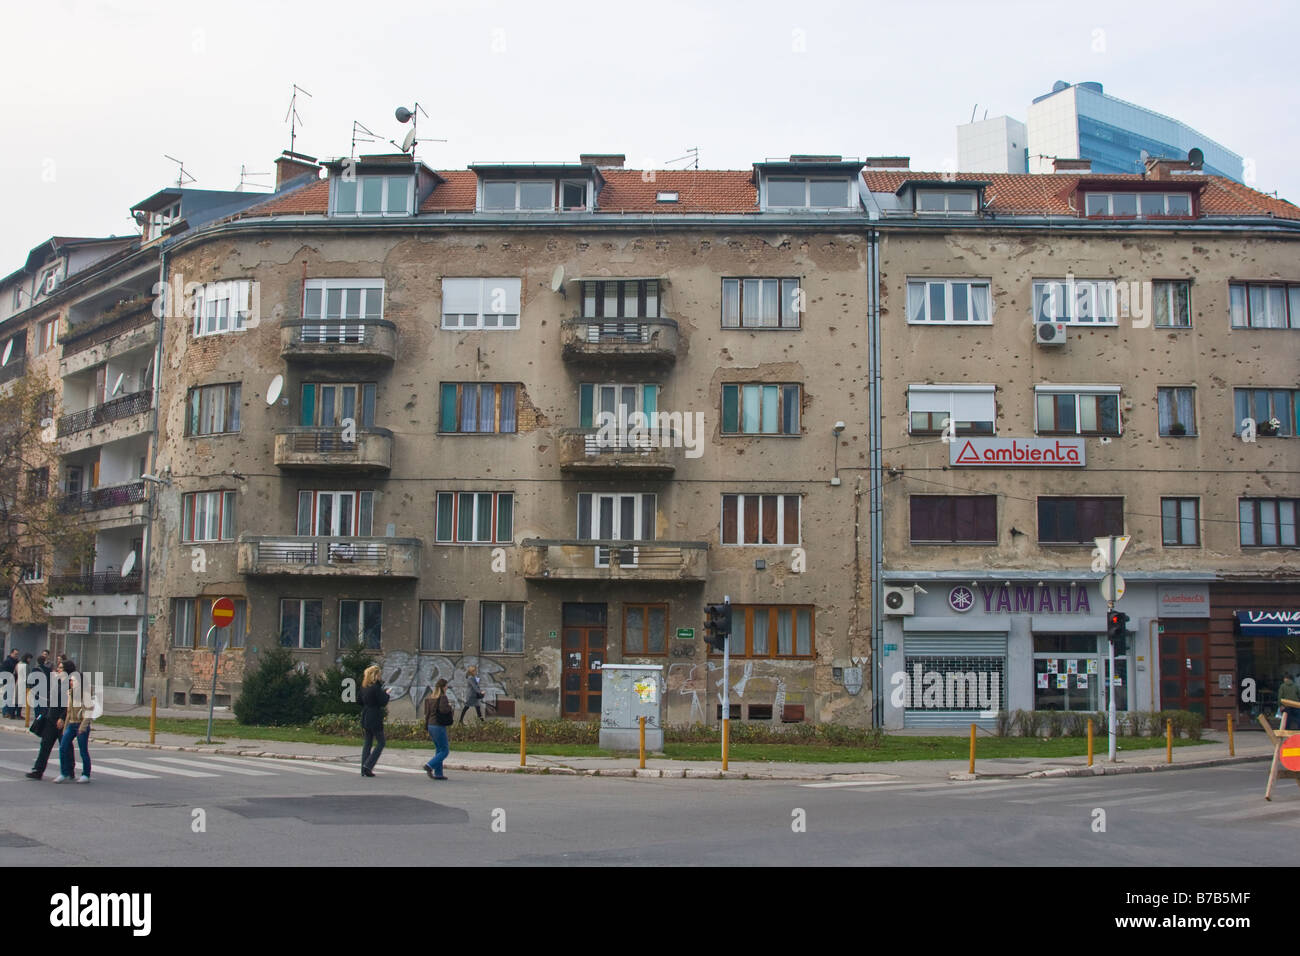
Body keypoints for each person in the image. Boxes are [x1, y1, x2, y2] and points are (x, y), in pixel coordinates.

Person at [26, 660, 67, 780]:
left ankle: (69, 770)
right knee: (45, 745)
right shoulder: (57, 683)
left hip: (60, 721)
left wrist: (63, 717)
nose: (58, 670)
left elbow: (70, 705)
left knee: (65, 746)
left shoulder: (69, 685)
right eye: (58, 667)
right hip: (50, 719)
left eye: (61, 668)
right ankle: (38, 770)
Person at [57, 659, 92, 784]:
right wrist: (65, 727)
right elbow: (68, 712)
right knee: (63, 747)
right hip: (71, 724)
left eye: (73, 680)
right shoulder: (70, 693)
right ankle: (64, 772)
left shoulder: (85, 694)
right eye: (71, 680)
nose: (71, 682)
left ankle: (86, 774)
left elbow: (88, 712)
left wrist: (83, 726)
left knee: (83, 750)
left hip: (81, 725)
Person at [359, 665, 389, 777]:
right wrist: (386, 694)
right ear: (375, 675)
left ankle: (364, 768)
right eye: (379, 674)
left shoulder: (364, 687)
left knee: (368, 742)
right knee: (381, 742)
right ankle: (368, 765)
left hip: (365, 715)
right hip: (374, 716)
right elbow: (382, 702)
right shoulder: (376, 688)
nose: (380, 677)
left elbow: (359, 700)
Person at [422, 678, 453, 780]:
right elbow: (444, 710)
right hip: (438, 726)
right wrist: (450, 707)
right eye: (446, 686)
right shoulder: (443, 697)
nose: (447, 687)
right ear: (444, 687)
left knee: (439, 749)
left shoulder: (431, 697)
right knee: (445, 750)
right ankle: (429, 765)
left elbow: (427, 714)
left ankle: (438, 773)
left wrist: (426, 726)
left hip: (431, 725)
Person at [0, 649, 18, 718]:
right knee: (7, 697)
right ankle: (5, 712)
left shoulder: (16, 662)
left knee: (11, 697)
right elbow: (3, 671)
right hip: (8, 681)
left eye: (17, 654)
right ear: (11, 653)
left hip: (14, 681)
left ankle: (10, 712)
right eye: (15, 654)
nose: (16, 656)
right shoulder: (7, 661)